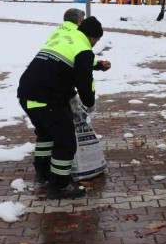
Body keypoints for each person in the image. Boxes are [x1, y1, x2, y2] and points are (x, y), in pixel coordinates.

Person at [17, 16, 110, 199]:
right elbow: (84, 81)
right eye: (97, 40)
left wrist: (98, 65)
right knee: (65, 142)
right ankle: (59, 186)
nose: (95, 44)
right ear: (92, 37)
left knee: (45, 134)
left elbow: (73, 60)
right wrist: (89, 103)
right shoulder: (84, 48)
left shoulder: (66, 37)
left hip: (27, 93)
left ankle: (43, 174)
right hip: (48, 98)